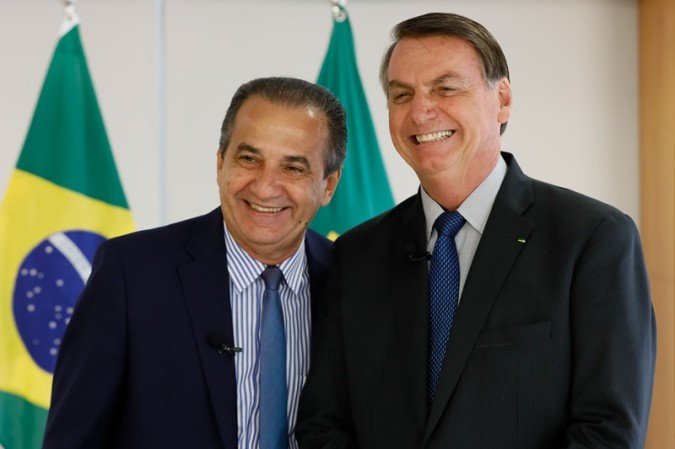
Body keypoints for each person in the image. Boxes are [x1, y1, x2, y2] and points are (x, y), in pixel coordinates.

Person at [296, 12, 655, 449]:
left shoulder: (593, 239)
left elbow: (608, 432)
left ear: (502, 99)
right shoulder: (357, 253)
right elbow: (324, 424)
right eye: (402, 94)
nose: (420, 111)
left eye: (445, 88)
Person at [42, 76, 345, 449]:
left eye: (293, 168)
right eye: (249, 159)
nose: (265, 187)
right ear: (220, 164)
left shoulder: (353, 281)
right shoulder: (131, 274)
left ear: (328, 185)